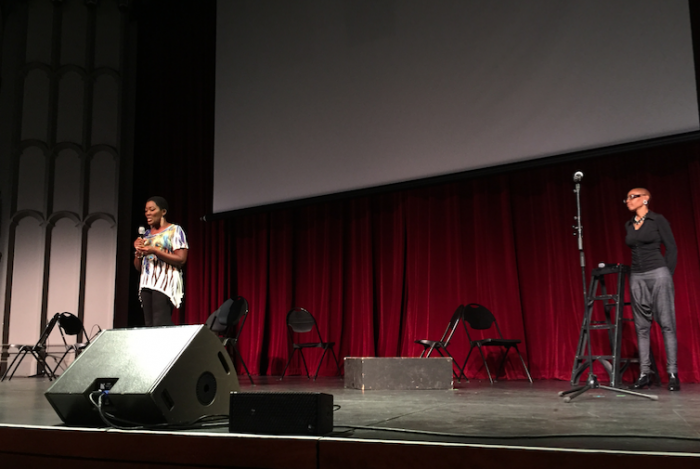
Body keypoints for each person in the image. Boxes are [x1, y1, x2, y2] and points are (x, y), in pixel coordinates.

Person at [624, 188, 679, 391]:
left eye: (632, 197)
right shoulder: (629, 224)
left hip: (658, 273)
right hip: (637, 276)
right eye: (627, 198)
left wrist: (666, 275)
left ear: (645, 199)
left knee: (666, 324)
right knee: (642, 327)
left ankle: (673, 374)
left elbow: (671, 247)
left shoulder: (657, 220)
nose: (628, 201)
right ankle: (645, 374)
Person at [133, 196, 188, 327]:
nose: (148, 213)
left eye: (152, 209)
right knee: (149, 325)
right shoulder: (146, 235)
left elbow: (181, 259)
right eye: (146, 210)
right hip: (147, 283)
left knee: (160, 323)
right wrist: (138, 253)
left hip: (164, 282)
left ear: (163, 212)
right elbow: (138, 267)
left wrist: (155, 251)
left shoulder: (174, 230)